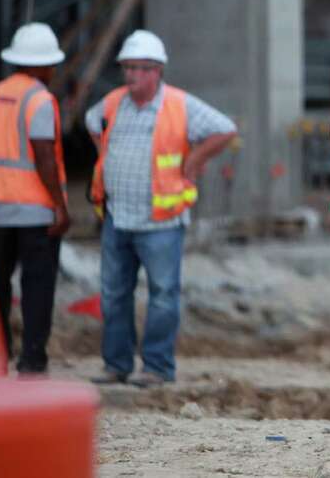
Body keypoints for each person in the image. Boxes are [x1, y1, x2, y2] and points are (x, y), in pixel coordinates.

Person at [84, 30, 238, 388]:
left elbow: (225, 129)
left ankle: (156, 367)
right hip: (118, 215)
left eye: (139, 68)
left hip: (161, 221)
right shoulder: (112, 103)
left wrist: (196, 158)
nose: (131, 75)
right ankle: (116, 364)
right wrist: (106, 157)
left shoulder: (179, 105)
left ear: (157, 71)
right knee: (113, 293)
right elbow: (92, 123)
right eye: (127, 68)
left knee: (163, 295)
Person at [0, 22, 70, 375]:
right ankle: (32, 359)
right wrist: (60, 205)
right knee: (37, 285)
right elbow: (44, 155)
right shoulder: (39, 100)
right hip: (33, 211)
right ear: (41, 65)